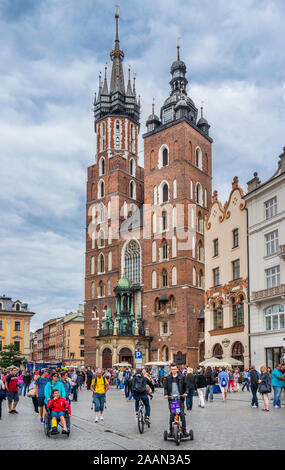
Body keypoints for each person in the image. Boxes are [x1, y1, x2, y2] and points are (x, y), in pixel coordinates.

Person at [164, 363, 188, 438]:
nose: (173, 370)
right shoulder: (167, 378)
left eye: (175, 369)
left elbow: (186, 386)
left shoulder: (182, 377)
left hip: (180, 398)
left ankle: (184, 431)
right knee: (172, 415)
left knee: (182, 415)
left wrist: (185, 393)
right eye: (172, 369)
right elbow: (165, 388)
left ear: (177, 369)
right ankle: (171, 431)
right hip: (171, 399)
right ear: (170, 369)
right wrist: (166, 394)